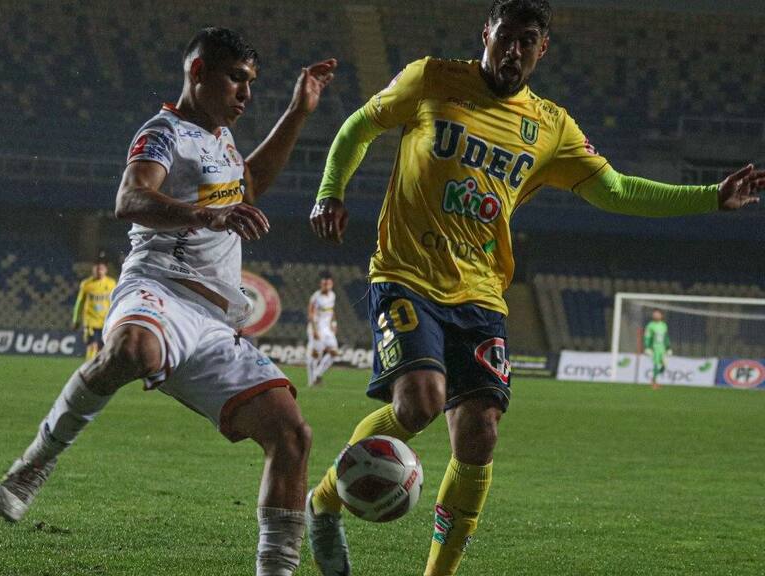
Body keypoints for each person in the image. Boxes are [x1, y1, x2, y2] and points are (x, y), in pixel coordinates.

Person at [306, 1, 765, 574]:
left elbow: (617, 191)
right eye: (506, 38)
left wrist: (710, 197)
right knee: (419, 402)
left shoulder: (551, 126)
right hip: (407, 273)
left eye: (528, 41)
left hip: (481, 294)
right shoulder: (432, 77)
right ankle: (324, 502)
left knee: (480, 434)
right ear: (486, 35)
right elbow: (358, 127)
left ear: (541, 50)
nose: (514, 51)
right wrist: (330, 191)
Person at [0, 27, 336, 576]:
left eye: (250, 82)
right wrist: (206, 215)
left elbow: (249, 183)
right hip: (159, 286)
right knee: (135, 348)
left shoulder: (222, 139)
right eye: (235, 79)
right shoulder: (164, 132)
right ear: (198, 73)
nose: (245, 94)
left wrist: (298, 112)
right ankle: (33, 466)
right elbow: (130, 198)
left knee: (292, 435)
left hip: (213, 319)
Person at [72, 261, 117, 361]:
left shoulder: (111, 283)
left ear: (106, 270)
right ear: (93, 270)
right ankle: (89, 367)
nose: (99, 271)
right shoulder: (86, 284)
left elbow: (115, 302)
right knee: (92, 346)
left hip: (105, 322)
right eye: (97, 269)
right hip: (91, 322)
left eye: (101, 269)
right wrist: (76, 319)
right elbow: (79, 303)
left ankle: (98, 369)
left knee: (102, 348)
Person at [306, 271, 339, 386]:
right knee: (315, 354)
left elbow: (332, 311)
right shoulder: (316, 297)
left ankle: (317, 374)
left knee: (334, 352)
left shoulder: (332, 295)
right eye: (324, 284)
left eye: (328, 284)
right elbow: (311, 314)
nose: (326, 286)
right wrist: (315, 330)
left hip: (327, 329)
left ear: (331, 284)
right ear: (321, 284)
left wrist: (334, 324)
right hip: (317, 328)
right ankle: (311, 382)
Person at [644, 309, 672, 390]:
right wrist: (647, 347)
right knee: (656, 364)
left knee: (664, 366)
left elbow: (665, 337)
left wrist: (668, 347)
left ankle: (653, 379)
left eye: (658, 314)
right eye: (655, 314)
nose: (656, 315)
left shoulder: (664, 325)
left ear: (661, 316)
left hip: (662, 348)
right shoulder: (650, 325)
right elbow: (647, 337)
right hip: (655, 348)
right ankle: (654, 383)